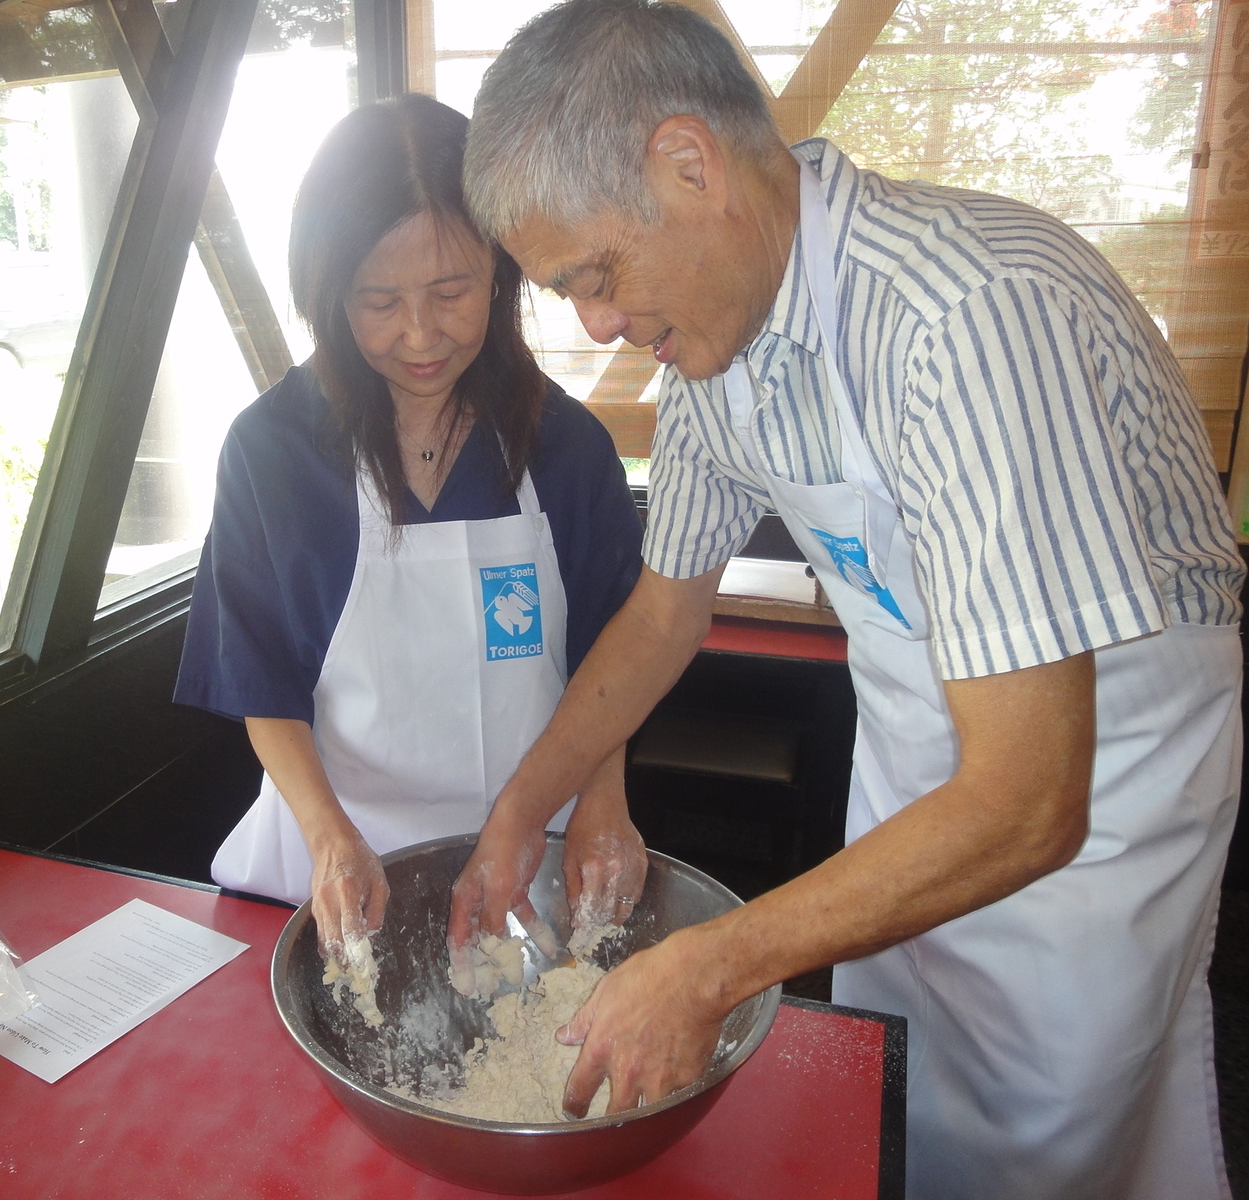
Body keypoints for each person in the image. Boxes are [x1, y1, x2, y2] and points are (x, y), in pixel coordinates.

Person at [447, 3, 1245, 1197]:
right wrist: (522, 809)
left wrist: (712, 964)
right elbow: (665, 618)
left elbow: (1032, 802)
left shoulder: (964, 320)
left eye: (597, 274)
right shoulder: (717, 356)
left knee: (1048, 1147)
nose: (597, 324)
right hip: (917, 760)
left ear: (689, 163)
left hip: (1097, 791)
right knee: (894, 1100)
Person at [175, 94, 647, 964]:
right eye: (378, 301)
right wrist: (327, 838)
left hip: (524, 865)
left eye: (451, 290)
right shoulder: (271, 453)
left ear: (501, 273)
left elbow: (613, 659)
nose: (421, 334)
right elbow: (260, 681)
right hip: (331, 878)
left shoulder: (565, 447)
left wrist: (604, 802)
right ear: (328, 295)